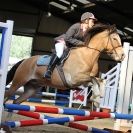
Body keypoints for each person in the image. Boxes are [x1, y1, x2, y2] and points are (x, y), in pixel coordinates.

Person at [44, 12, 97, 79]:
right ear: (86, 20)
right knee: (60, 53)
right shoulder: (76, 26)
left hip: (70, 46)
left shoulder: (87, 32)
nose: (93, 23)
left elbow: (85, 42)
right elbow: (67, 38)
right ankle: (49, 70)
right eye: (92, 21)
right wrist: (82, 43)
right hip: (62, 42)